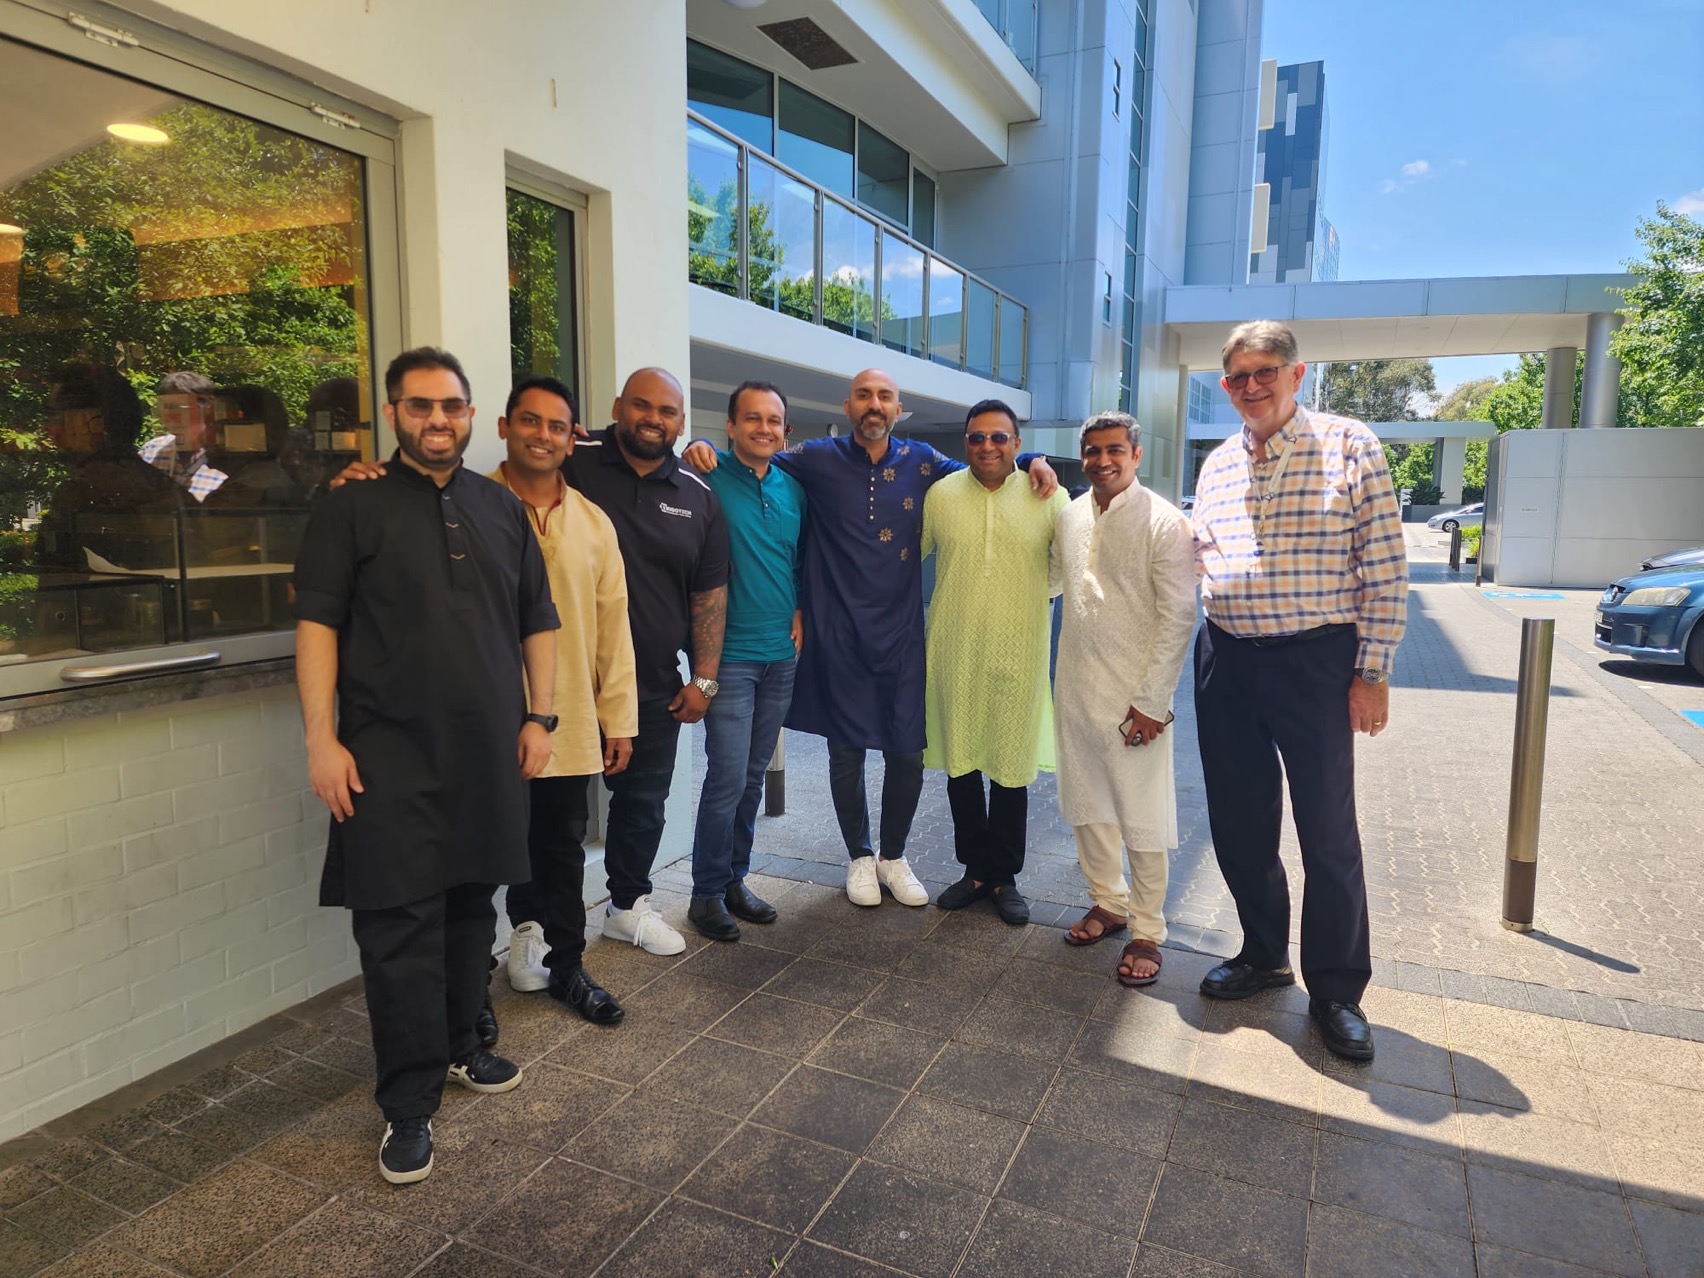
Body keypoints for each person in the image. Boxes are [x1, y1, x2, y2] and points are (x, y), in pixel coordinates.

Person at [293, 347, 557, 1185]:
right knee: (398, 930)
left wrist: (540, 716)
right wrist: (321, 740)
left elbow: (538, 620)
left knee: (471, 911)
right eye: (419, 406)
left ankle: (463, 1043)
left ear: (472, 415)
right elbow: (317, 626)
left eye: (450, 406)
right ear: (393, 413)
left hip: (487, 752)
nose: (436, 420)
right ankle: (407, 1106)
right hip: (384, 756)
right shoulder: (350, 506)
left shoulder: (501, 507)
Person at [682, 369, 1055, 912]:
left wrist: (1033, 457)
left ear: (898, 409)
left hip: (901, 633)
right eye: (863, 395)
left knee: (907, 752)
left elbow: (986, 465)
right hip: (837, 631)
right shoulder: (815, 458)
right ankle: (858, 855)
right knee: (845, 750)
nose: (874, 404)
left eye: (884, 396)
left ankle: (893, 856)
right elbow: (751, 457)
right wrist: (698, 445)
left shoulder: (923, 461)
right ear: (848, 406)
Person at [1192, 320, 1408, 1062]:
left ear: (1296, 373)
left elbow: (1385, 567)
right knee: (1239, 820)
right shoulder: (1218, 462)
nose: (1251, 386)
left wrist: (1372, 672)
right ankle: (1262, 953)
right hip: (1225, 656)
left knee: (1327, 829)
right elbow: (1200, 553)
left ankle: (1337, 990)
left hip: (1316, 661)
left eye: (1266, 371)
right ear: (1226, 387)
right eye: (1238, 377)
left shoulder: (1350, 445)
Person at [567, 368, 728, 955]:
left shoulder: (698, 493)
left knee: (642, 806)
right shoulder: (572, 458)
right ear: (618, 407)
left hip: (653, 682)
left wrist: (704, 680)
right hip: (564, 680)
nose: (652, 419)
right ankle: (538, 925)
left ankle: (627, 906)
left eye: (666, 411)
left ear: (681, 423)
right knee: (555, 815)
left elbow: (708, 594)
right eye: (641, 405)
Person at [491, 376, 638, 1022]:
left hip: (569, 716)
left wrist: (619, 719)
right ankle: (479, 982)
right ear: (504, 427)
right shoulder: (471, 506)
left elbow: (613, 629)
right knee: (484, 849)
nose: (542, 435)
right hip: (487, 715)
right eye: (530, 420)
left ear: (572, 439)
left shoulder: (593, 524)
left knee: (561, 845)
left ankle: (568, 966)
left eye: (556, 426)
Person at [1051, 412, 1196, 987]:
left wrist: (1154, 701)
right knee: (1087, 805)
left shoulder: (1165, 522)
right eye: (1092, 450)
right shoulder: (1069, 515)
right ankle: (1108, 902)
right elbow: (1052, 580)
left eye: (1115, 450)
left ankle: (1148, 930)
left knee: (1142, 814)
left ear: (1136, 455)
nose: (1102, 460)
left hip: (1136, 701)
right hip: (1076, 687)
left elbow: (1179, 616)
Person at [921, 400, 1067, 926]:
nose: (987, 446)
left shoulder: (1047, 496)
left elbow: (1064, 567)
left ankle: (1004, 876)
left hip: (1020, 652)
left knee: (1010, 768)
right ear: (966, 443)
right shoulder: (941, 495)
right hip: (954, 650)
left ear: (1017, 445)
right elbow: (907, 555)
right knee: (960, 766)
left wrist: (1027, 599)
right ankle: (975, 871)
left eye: (999, 437)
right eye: (977, 437)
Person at [686, 381, 805, 941]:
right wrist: (690, 448)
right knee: (727, 778)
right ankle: (706, 894)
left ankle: (735, 879)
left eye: (773, 420)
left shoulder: (793, 488)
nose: (764, 428)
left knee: (753, 777)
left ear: (785, 430)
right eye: (752, 418)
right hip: (728, 658)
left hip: (781, 655)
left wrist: (800, 608)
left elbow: (797, 561)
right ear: (731, 426)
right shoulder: (706, 477)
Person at [142, 370, 228, 501]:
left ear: (207, 409)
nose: (171, 416)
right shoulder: (151, 451)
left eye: (180, 407)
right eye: (166, 407)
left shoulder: (227, 458)